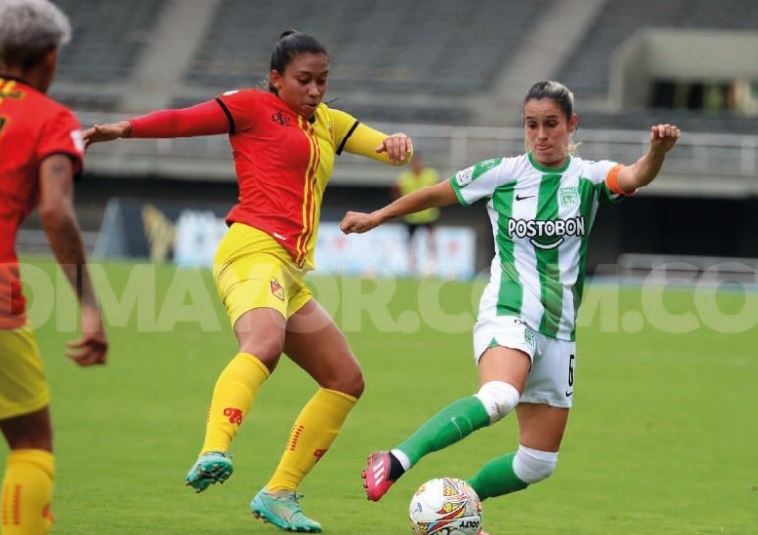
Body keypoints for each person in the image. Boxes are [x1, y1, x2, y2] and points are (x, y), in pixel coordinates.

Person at [84, 31, 412, 533]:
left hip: (289, 269)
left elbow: (385, 150)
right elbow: (182, 121)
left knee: (345, 380)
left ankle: (279, 492)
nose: (316, 91)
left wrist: (396, 145)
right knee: (263, 345)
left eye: (323, 80)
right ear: (276, 79)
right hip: (252, 250)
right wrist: (121, 129)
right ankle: (215, 448)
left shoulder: (329, 123)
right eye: (304, 80)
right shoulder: (252, 107)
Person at [341, 81, 680, 530]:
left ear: (571, 125)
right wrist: (376, 217)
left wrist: (657, 151)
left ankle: (457, 504)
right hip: (509, 307)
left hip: (559, 329)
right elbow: (435, 193)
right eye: (531, 125)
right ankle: (397, 458)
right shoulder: (502, 172)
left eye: (551, 125)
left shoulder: (589, 177)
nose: (541, 134)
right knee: (499, 396)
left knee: (537, 463)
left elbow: (636, 175)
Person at [0, 1, 109, 534]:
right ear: (48, 58)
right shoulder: (51, 119)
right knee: (30, 444)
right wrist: (89, 306)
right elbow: (55, 210)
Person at [394, 154, 440, 275]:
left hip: (428, 215)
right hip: (411, 216)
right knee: (411, 243)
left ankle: (431, 267)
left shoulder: (431, 174)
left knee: (431, 242)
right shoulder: (404, 177)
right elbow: (397, 191)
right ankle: (412, 267)